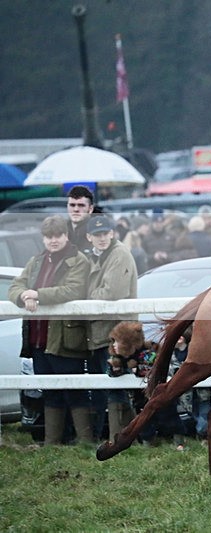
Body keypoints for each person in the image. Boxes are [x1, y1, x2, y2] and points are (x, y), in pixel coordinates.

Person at [8, 215, 92, 445]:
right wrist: (23, 295)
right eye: (48, 236)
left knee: (74, 390)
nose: (53, 240)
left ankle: (85, 442)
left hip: (66, 337)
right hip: (38, 338)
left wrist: (37, 294)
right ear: (43, 238)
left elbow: (73, 290)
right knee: (50, 391)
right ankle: (53, 443)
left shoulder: (79, 261)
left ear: (66, 236)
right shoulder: (36, 261)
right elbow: (16, 285)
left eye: (58, 235)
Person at [85, 215, 139, 441]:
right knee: (111, 384)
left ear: (112, 233)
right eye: (97, 234)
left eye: (105, 233)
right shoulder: (97, 256)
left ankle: (121, 437)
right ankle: (128, 435)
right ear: (89, 237)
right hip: (104, 331)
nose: (102, 238)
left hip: (117, 332)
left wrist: (86, 296)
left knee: (117, 384)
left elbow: (112, 292)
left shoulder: (119, 254)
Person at [66, 185, 95, 255]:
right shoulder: (60, 230)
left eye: (81, 205)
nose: (76, 209)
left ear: (90, 209)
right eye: (72, 205)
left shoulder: (98, 232)